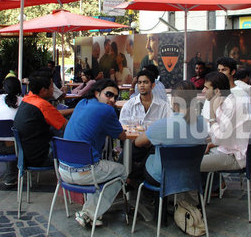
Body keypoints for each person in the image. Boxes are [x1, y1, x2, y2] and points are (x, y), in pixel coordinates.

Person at [61, 79, 127, 228]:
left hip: (63, 171)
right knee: (122, 171)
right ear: (97, 93)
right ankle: (89, 213)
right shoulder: (107, 110)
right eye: (108, 94)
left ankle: (90, 212)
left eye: (115, 97)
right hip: (84, 172)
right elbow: (122, 136)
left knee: (102, 169)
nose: (112, 100)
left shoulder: (81, 103)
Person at [134, 81, 207, 186]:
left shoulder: (162, 125)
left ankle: (132, 184)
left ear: (173, 100)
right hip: (190, 175)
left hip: (161, 177)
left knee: (147, 154)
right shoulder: (202, 124)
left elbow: (137, 143)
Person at [13, 69, 68, 168]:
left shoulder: (27, 99)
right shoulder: (42, 105)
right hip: (41, 157)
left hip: (25, 157)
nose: (53, 89)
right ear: (43, 90)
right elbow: (67, 127)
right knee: (74, 147)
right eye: (52, 86)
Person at [200, 71, 251, 173]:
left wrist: (212, 112)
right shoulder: (226, 102)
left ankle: (206, 187)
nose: (203, 91)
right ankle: (214, 186)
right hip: (225, 150)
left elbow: (217, 140)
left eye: (206, 88)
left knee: (190, 163)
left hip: (234, 157)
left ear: (217, 91)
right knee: (196, 154)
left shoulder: (230, 106)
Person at [0, 77, 22, 188]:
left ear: (4, 87)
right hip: (14, 147)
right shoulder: (22, 101)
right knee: (17, 141)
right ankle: (11, 178)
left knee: (8, 138)